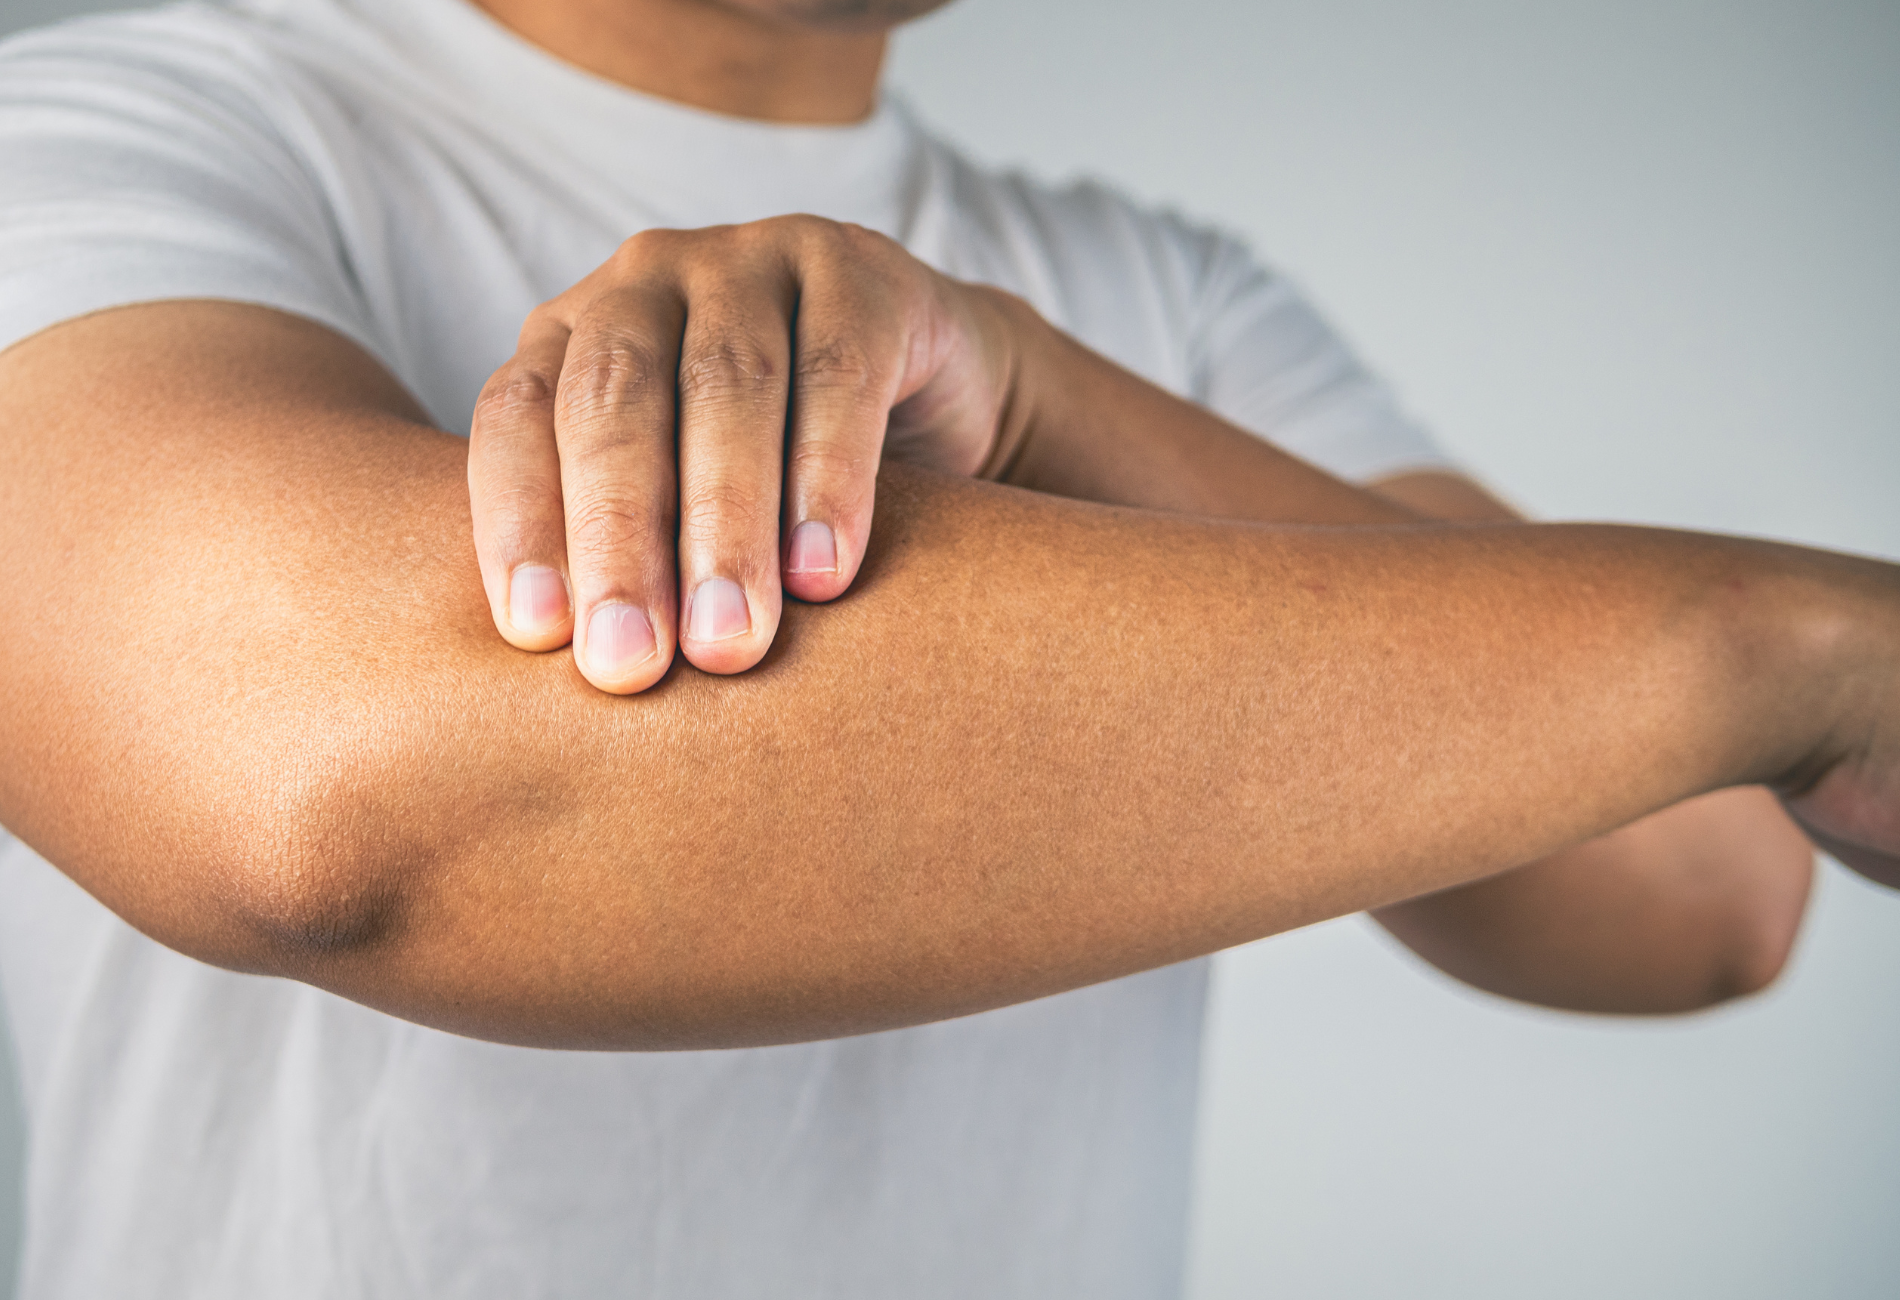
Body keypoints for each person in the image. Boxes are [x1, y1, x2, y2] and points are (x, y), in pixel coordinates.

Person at [0, 0, 1893, 1295]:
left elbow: (1697, 893)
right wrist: (1791, 646)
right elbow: (325, 793)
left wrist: (1047, 396)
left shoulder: (1173, 296)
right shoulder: (111, 129)